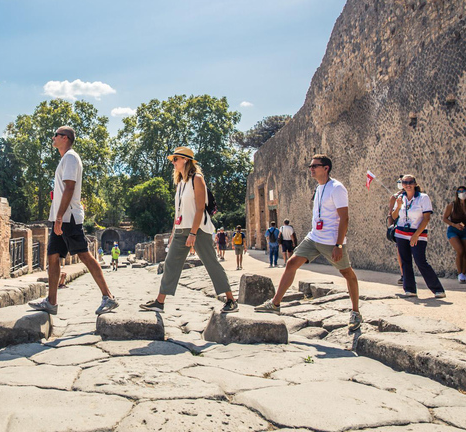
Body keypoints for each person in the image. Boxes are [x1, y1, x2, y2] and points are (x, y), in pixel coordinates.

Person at [256, 154, 362, 332]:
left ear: (326, 168)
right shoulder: (319, 188)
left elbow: (344, 218)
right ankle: (275, 304)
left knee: (347, 273)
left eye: (315, 166)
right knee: (291, 263)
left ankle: (355, 312)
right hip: (314, 237)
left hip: (331, 241)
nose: (311, 169)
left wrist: (339, 245)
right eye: (310, 166)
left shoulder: (337, 188)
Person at [29, 126, 118, 315]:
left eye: (56, 135)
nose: (53, 137)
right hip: (60, 218)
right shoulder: (65, 159)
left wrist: (60, 217)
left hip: (68, 217)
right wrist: (56, 217)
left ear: (65, 138)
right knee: (53, 257)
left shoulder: (70, 157)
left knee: (84, 255)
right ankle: (51, 302)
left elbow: (69, 187)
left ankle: (108, 297)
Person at [140, 147, 238, 314]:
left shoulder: (197, 179)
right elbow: (178, 211)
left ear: (185, 160)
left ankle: (231, 299)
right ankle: (160, 301)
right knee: (170, 263)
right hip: (180, 229)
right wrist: (173, 232)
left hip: (198, 229)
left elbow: (200, 209)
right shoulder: (181, 183)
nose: (173, 162)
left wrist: (193, 233)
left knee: (211, 263)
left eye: (175, 159)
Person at [391, 174, 445, 298]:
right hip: (401, 234)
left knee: (421, 261)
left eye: (410, 182)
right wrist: (398, 206)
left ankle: (437, 289)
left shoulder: (423, 198)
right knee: (405, 262)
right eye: (405, 182)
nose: (408, 185)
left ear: (415, 183)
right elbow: (394, 217)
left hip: (418, 234)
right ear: (402, 185)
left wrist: (416, 235)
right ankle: (410, 289)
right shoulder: (400, 198)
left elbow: (426, 218)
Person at [443, 186, 466, 283]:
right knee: (460, 250)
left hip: (465, 230)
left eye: (463, 191)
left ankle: (464, 274)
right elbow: (445, 218)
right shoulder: (452, 205)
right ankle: (460, 274)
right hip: (453, 230)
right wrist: (454, 225)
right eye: (459, 191)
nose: (461, 193)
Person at [388, 176, 405, 285]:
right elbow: (391, 214)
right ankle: (404, 274)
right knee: (401, 253)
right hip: (399, 228)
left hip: (413, 228)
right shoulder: (395, 197)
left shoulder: (417, 196)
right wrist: (391, 229)